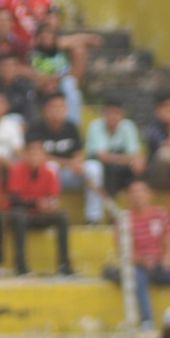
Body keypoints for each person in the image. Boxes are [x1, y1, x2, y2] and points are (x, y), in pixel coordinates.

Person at [123, 179, 170, 326]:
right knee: (138, 279)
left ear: (149, 195)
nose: (138, 196)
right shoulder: (125, 219)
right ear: (129, 197)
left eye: (141, 192)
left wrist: (167, 258)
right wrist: (141, 260)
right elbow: (124, 251)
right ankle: (147, 320)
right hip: (139, 266)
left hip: (159, 265)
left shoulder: (160, 214)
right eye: (134, 193)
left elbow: (169, 239)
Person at [26, 91, 101, 223]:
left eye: (61, 106)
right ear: (46, 109)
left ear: (66, 109)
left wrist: (78, 163)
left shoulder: (71, 127)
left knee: (94, 168)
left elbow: (79, 154)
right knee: (50, 167)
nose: (57, 110)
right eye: (54, 106)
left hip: (69, 174)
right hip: (50, 175)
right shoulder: (36, 127)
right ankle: (51, 213)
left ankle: (93, 218)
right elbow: (38, 157)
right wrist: (68, 163)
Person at [7, 137, 71, 275]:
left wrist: (50, 206)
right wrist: (36, 203)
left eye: (38, 153)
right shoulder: (17, 170)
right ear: (25, 155)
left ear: (44, 156)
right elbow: (14, 199)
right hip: (25, 216)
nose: (34, 157)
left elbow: (54, 197)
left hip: (42, 215)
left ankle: (64, 265)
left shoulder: (49, 173)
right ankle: (21, 266)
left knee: (62, 216)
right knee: (18, 215)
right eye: (31, 153)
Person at [85, 96, 145, 199]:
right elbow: (103, 157)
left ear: (122, 114)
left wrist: (131, 160)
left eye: (117, 113)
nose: (113, 116)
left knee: (138, 168)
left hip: (120, 168)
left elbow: (136, 155)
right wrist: (128, 159)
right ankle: (110, 202)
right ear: (103, 113)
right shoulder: (95, 127)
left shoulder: (128, 126)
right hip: (102, 168)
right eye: (110, 113)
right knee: (109, 170)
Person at [29, 23, 81, 124]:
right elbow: (33, 74)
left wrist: (56, 80)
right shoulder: (33, 55)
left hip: (59, 85)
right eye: (43, 36)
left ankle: (72, 126)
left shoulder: (61, 55)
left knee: (70, 86)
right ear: (38, 38)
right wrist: (47, 81)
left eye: (49, 36)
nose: (47, 39)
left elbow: (68, 73)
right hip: (41, 87)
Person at [0, 53, 35, 122]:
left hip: (18, 123)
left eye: (12, 66)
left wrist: (26, 125)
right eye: (5, 66)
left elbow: (31, 111)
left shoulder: (26, 86)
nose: (8, 69)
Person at [0, 90, 24, 170]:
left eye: (2, 102)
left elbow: (18, 150)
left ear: (7, 106)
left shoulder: (12, 125)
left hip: (9, 165)